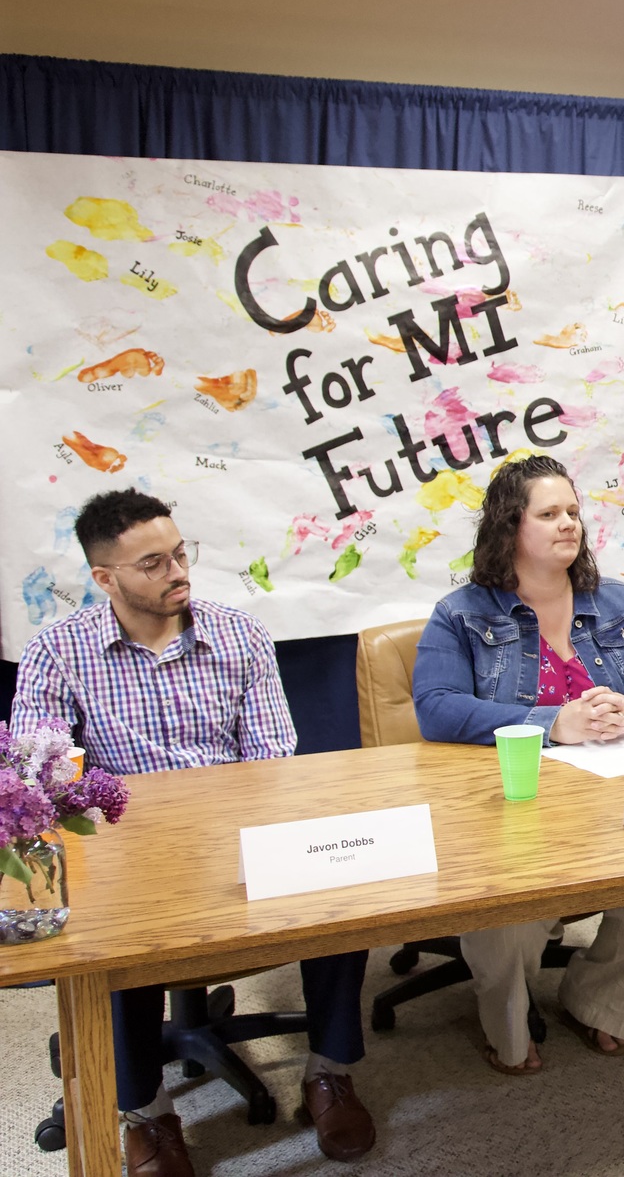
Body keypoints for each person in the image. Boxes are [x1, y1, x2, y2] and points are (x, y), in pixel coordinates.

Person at [11, 489, 374, 1177]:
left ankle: (328, 1071)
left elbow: (271, 763)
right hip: (128, 859)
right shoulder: (58, 652)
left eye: (181, 553)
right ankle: (148, 1113)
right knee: (105, 933)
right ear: (105, 579)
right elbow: (43, 776)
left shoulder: (238, 634)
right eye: (153, 562)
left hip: (238, 840)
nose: (178, 570)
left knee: (342, 887)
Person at [412, 455, 624, 1075]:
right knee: (505, 908)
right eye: (549, 514)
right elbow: (435, 709)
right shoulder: (461, 613)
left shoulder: (619, 599)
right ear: (509, 527)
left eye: (572, 512)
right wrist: (553, 725)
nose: (568, 524)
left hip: (613, 790)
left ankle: (602, 998)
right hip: (516, 803)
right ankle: (509, 1029)